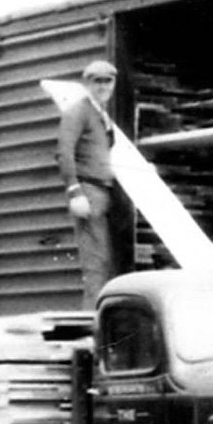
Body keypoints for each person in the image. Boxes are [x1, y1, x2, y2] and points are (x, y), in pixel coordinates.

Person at [56, 59, 135, 308]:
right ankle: (93, 321)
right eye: (97, 81)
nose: (103, 87)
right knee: (95, 262)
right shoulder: (79, 112)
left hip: (105, 192)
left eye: (107, 81)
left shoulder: (101, 115)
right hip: (89, 192)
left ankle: (103, 317)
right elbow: (64, 152)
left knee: (108, 262)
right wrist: (75, 192)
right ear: (87, 84)